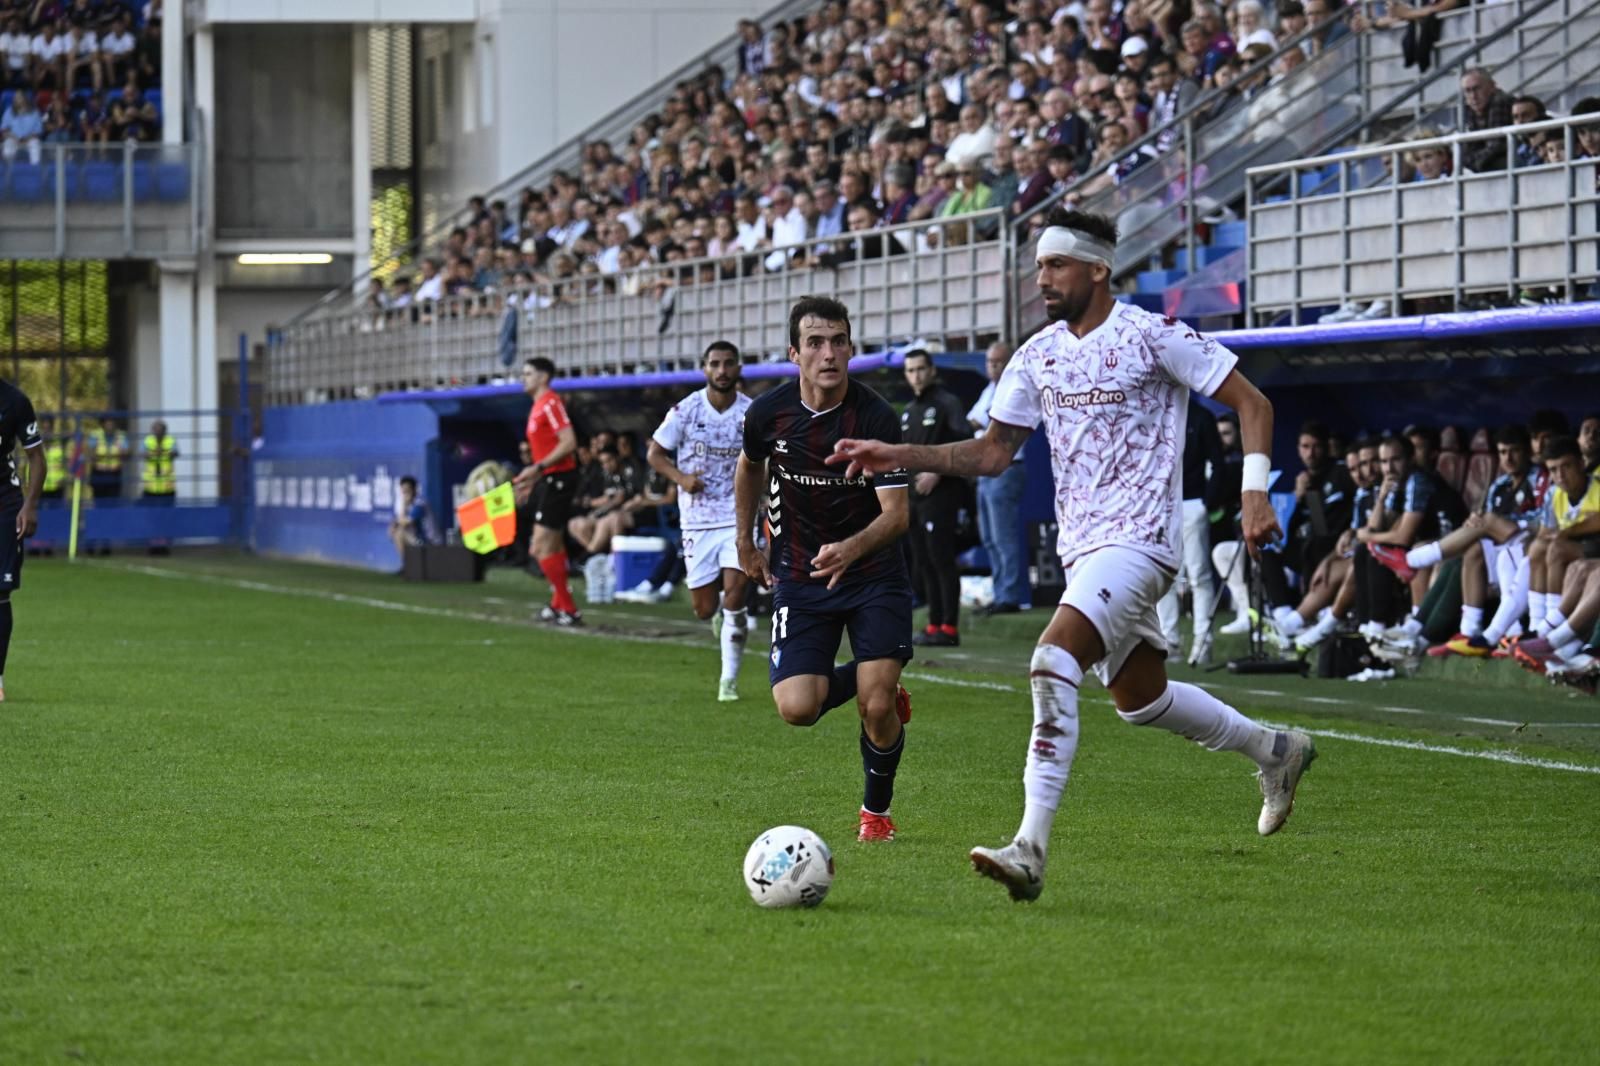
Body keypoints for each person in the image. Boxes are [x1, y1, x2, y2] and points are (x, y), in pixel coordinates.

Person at [829, 209, 1315, 900]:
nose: (1043, 279)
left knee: (1050, 660)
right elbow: (992, 452)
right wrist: (899, 454)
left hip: (1139, 541)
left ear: (1097, 268)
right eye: (1038, 267)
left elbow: (1253, 402)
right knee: (1139, 700)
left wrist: (1255, 492)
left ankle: (1030, 848)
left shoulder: (1151, 334)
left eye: (1055, 265)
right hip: (1083, 550)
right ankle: (1275, 749)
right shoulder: (1036, 354)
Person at [734, 295, 915, 844]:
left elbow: (898, 515)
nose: (828, 353)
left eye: (838, 341)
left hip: (874, 575)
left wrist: (851, 549)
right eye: (815, 342)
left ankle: (875, 814)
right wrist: (745, 539)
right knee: (797, 708)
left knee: (875, 704)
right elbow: (749, 466)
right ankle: (870, 682)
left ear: (851, 349)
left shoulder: (877, 417)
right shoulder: (768, 413)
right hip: (798, 574)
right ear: (795, 352)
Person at [648, 340, 756, 702]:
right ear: (705, 369)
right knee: (704, 608)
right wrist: (681, 479)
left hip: (738, 517)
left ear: (739, 368)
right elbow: (655, 453)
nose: (722, 370)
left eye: (729, 363)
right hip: (697, 519)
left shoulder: (751, 414)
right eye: (715, 364)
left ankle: (729, 680)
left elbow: (767, 461)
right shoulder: (687, 410)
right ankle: (719, 618)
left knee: (736, 596)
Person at [901, 349, 973, 646]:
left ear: (931, 370)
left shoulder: (947, 403)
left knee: (942, 559)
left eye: (920, 369)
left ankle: (949, 626)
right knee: (922, 561)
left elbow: (966, 441)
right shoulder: (908, 411)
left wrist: (938, 471)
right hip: (913, 497)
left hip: (941, 494)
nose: (916, 375)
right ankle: (933, 625)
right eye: (910, 370)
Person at [512, 357, 582, 626]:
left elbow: (569, 442)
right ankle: (558, 605)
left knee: (540, 547)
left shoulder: (551, 403)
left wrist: (538, 467)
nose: (524, 378)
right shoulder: (538, 406)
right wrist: (534, 476)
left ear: (544, 377)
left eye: (528, 373)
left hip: (560, 479)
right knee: (552, 545)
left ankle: (569, 608)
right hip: (550, 478)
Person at [1157, 398, 1225, 666]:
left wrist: (1206, 502)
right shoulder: (1157, 409)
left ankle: (1203, 640)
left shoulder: (1201, 416)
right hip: (1162, 503)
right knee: (1164, 574)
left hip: (1193, 502)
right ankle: (1168, 640)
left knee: (1198, 574)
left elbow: (1217, 461)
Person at [968, 341, 1030, 614]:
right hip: (985, 469)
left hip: (1006, 468)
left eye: (998, 361)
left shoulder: (1013, 387)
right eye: (990, 362)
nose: (993, 367)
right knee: (990, 537)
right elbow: (973, 419)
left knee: (1004, 536)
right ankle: (1000, 592)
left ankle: (1010, 596)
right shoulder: (988, 389)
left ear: (1009, 362)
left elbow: (983, 422)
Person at [0, 378, 45, 701]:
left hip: (4, 506)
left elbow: (37, 458)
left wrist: (29, 506)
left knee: (0, 594)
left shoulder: (14, 401)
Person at [388, 475, 434, 567]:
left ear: (414, 490)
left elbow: (406, 522)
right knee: (397, 532)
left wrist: (404, 506)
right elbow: (398, 520)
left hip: (430, 541)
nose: (405, 493)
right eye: (403, 490)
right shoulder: (405, 503)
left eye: (408, 490)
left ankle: (408, 566)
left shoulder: (420, 503)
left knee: (400, 533)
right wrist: (392, 526)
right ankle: (408, 566)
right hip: (418, 540)